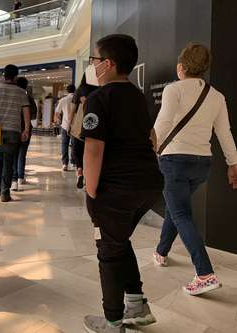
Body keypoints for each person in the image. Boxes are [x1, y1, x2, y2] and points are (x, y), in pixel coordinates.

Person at [82, 34, 164, 333]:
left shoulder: (99, 98)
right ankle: (137, 304)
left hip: (115, 189)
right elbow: (152, 137)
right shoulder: (137, 96)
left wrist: (91, 191)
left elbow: (93, 147)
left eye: (94, 60)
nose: (91, 65)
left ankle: (113, 320)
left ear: (108, 64)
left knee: (107, 250)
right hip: (149, 183)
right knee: (119, 241)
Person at [153, 43, 237, 295]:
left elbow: (164, 122)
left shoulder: (173, 89)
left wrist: (148, 148)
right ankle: (161, 251)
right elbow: (224, 133)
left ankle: (204, 273)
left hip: (174, 161)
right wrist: (233, 164)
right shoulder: (217, 96)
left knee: (181, 213)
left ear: (181, 66)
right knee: (176, 208)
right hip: (202, 164)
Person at [0, 64, 31, 202]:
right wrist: (26, 129)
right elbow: (26, 112)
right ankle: (5, 192)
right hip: (14, 131)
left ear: (3, 75)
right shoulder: (21, 92)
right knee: (9, 162)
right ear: (15, 76)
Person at [69, 74, 98, 188]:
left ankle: (80, 170)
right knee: (89, 151)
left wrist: (69, 125)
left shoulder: (80, 90)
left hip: (79, 126)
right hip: (94, 126)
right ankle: (88, 177)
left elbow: (72, 110)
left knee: (77, 150)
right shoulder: (98, 89)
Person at [12, 77, 37, 191]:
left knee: (14, 154)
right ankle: (20, 177)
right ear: (26, 86)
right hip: (26, 128)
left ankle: (14, 179)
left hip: (14, 128)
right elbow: (34, 114)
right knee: (22, 153)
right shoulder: (29, 98)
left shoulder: (13, 97)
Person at [54, 84, 76, 171]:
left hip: (65, 125)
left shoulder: (63, 100)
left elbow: (57, 112)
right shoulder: (77, 99)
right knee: (74, 144)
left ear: (67, 91)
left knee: (64, 144)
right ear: (75, 90)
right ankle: (73, 162)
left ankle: (65, 164)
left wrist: (55, 122)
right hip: (75, 126)